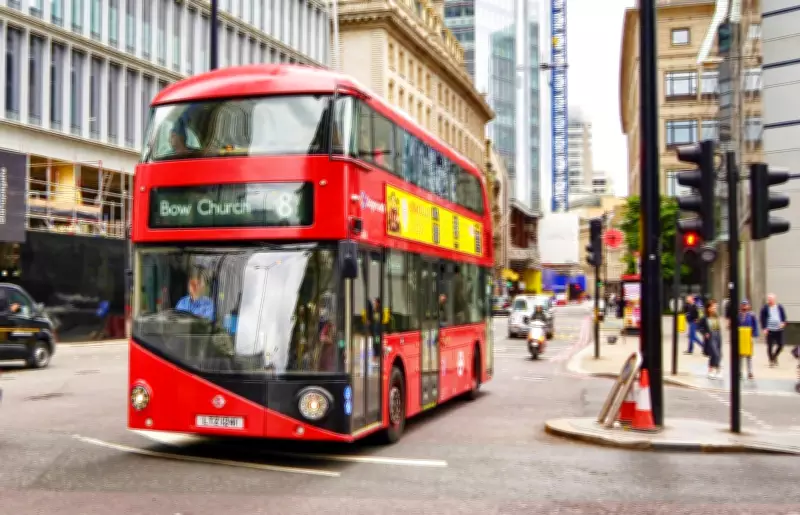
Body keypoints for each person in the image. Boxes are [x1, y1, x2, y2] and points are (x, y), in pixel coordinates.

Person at [759, 293, 787, 367]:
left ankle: (774, 356)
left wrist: (783, 323)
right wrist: (764, 328)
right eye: (768, 299)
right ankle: (771, 360)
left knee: (781, 345)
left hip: (779, 329)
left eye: (771, 299)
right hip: (769, 330)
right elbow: (762, 318)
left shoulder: (779, 307)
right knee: (770, 346)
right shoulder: (765, 308)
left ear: (775, 300)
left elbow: (784, 317)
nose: (769, 301)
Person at [698, 299, 723, 379]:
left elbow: (718, 327)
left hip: (717, 336)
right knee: (715, 353)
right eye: (713, 307)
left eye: (715, 307)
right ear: (708, 308)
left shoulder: (716, 316)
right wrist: (705, 333)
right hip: (710, 337)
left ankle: (712, 371)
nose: (715, 308)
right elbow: (699, 327)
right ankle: (717, 370)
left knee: (718, 353)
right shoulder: (705, 317)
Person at [738, 299, 758, 380]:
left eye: (745, 305)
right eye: (743, 305)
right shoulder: (738, 315)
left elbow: (755, 326)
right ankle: (739, 372)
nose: (744, 306)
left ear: (748, 306)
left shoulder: (752, 315)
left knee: (749, 355)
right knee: (740, 355)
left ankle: (750, 372)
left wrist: (753, 336)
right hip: (741, 337)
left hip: (749, 337)